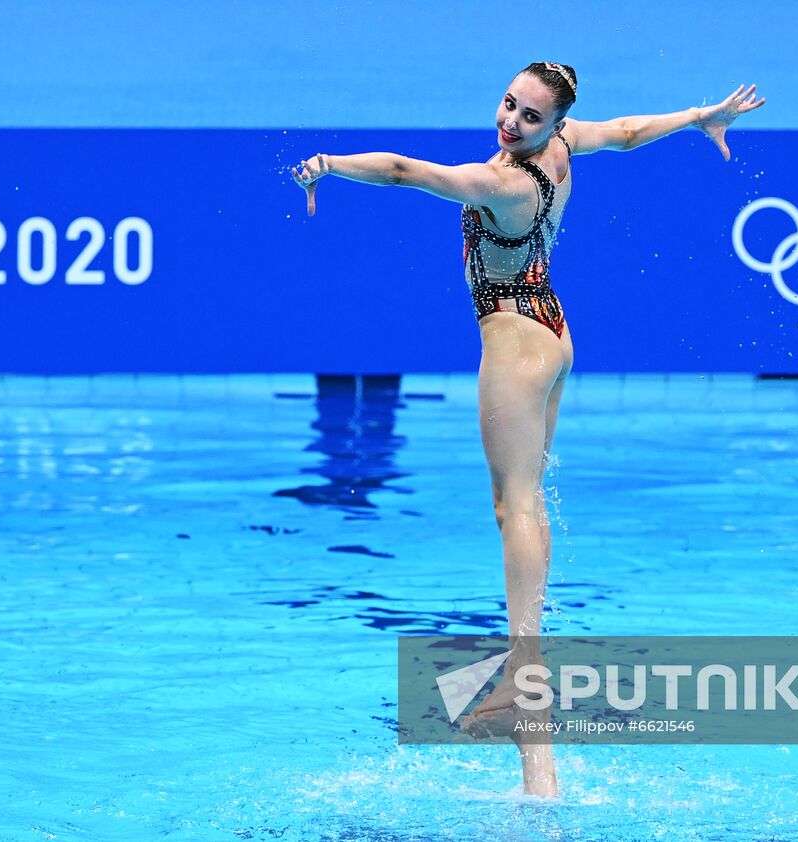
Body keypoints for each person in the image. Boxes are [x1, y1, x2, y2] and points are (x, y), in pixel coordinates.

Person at [292, 62, 765, 798]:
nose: (511, 122)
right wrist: (703, 116)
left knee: (512, 507)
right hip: (554, 330)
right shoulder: (564, 148)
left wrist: (326, 165)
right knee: (529, 501)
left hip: (514, 343)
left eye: (529, 117)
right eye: (509, 105)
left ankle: (527, 685)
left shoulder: (504, 184)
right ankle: (530, 672)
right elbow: (631, 132)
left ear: (550, 123)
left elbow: (398, 170)